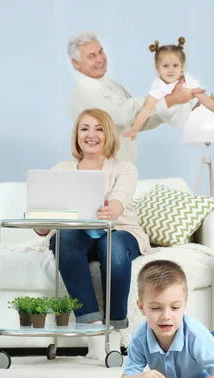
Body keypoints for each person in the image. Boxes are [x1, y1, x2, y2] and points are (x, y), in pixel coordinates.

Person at [34, 108, 152, 359]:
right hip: (77, 235)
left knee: (114, 244)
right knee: (61, 237)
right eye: (85, 128)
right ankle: (92, 328)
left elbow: (120, 200)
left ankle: (115, 329)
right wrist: (42, 223)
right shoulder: (60, 170)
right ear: (76, 135)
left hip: (120, 230)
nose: (91, 135)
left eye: (98, 129)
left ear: (108, 134)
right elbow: (43, 223)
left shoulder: (124, 168)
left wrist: (111, 210)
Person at [67, 31, 206, 163]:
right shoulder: (86, 88)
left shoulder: (110, 84)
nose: (100, 59)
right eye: (91, 56)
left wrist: (173, 106)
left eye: (100, 52)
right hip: (103, 170)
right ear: (76, 63)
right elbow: (123, 114)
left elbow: (135, 121)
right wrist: (169, 99)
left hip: (121, 168)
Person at [122, 37, 214, 141]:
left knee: (201, 95)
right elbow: (146, 109)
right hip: (168, 116)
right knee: (151, 105)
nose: (171, 70)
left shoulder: (188, 80)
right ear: (157, 67)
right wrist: (135, 129)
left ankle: (197, 106)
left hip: (184, 115)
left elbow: (206, 101)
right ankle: (195, 104)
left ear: (182, 66)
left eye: (175, 66)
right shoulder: (158, 84)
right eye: (165, 66)